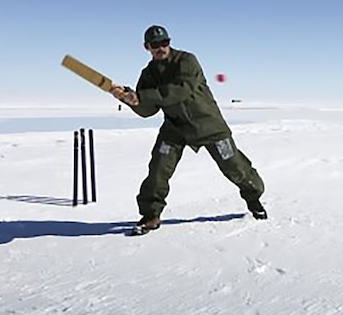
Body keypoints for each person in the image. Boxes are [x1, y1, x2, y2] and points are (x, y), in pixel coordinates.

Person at [110, 25, 267, 235]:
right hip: (175, 128)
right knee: (158, 169)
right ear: (146, 47)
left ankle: (253, 198)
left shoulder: (186, 60)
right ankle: (150, 216)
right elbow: (147, 111)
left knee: (235, 167)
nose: (161, 48)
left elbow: (180, 90)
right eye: (155, 45)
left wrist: (143, 96)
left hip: (209, 125)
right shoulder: (148, 74)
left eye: (165, 42)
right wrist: (129, 99)